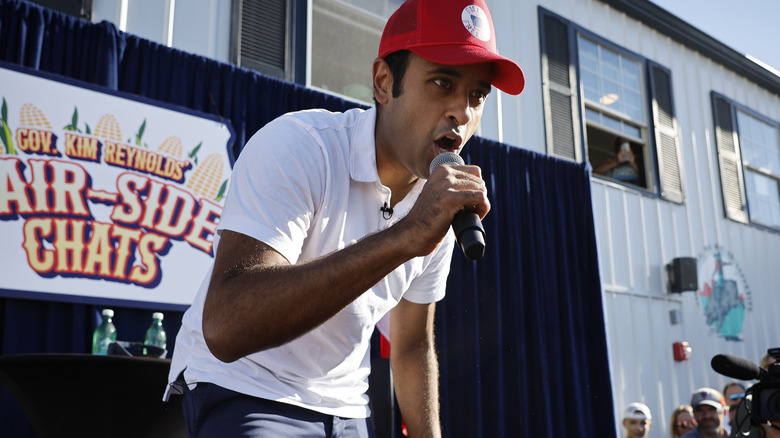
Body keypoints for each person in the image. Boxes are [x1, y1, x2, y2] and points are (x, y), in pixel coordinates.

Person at [163, 0, 525, 437]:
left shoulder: (440, 206)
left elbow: (411, 346)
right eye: (442, 82)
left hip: (346, 407)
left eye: (477, 94)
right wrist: (406, 236)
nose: (463, 112)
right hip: (244, 384)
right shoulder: (302, 146)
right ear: (383, 82)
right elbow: (226, 325)